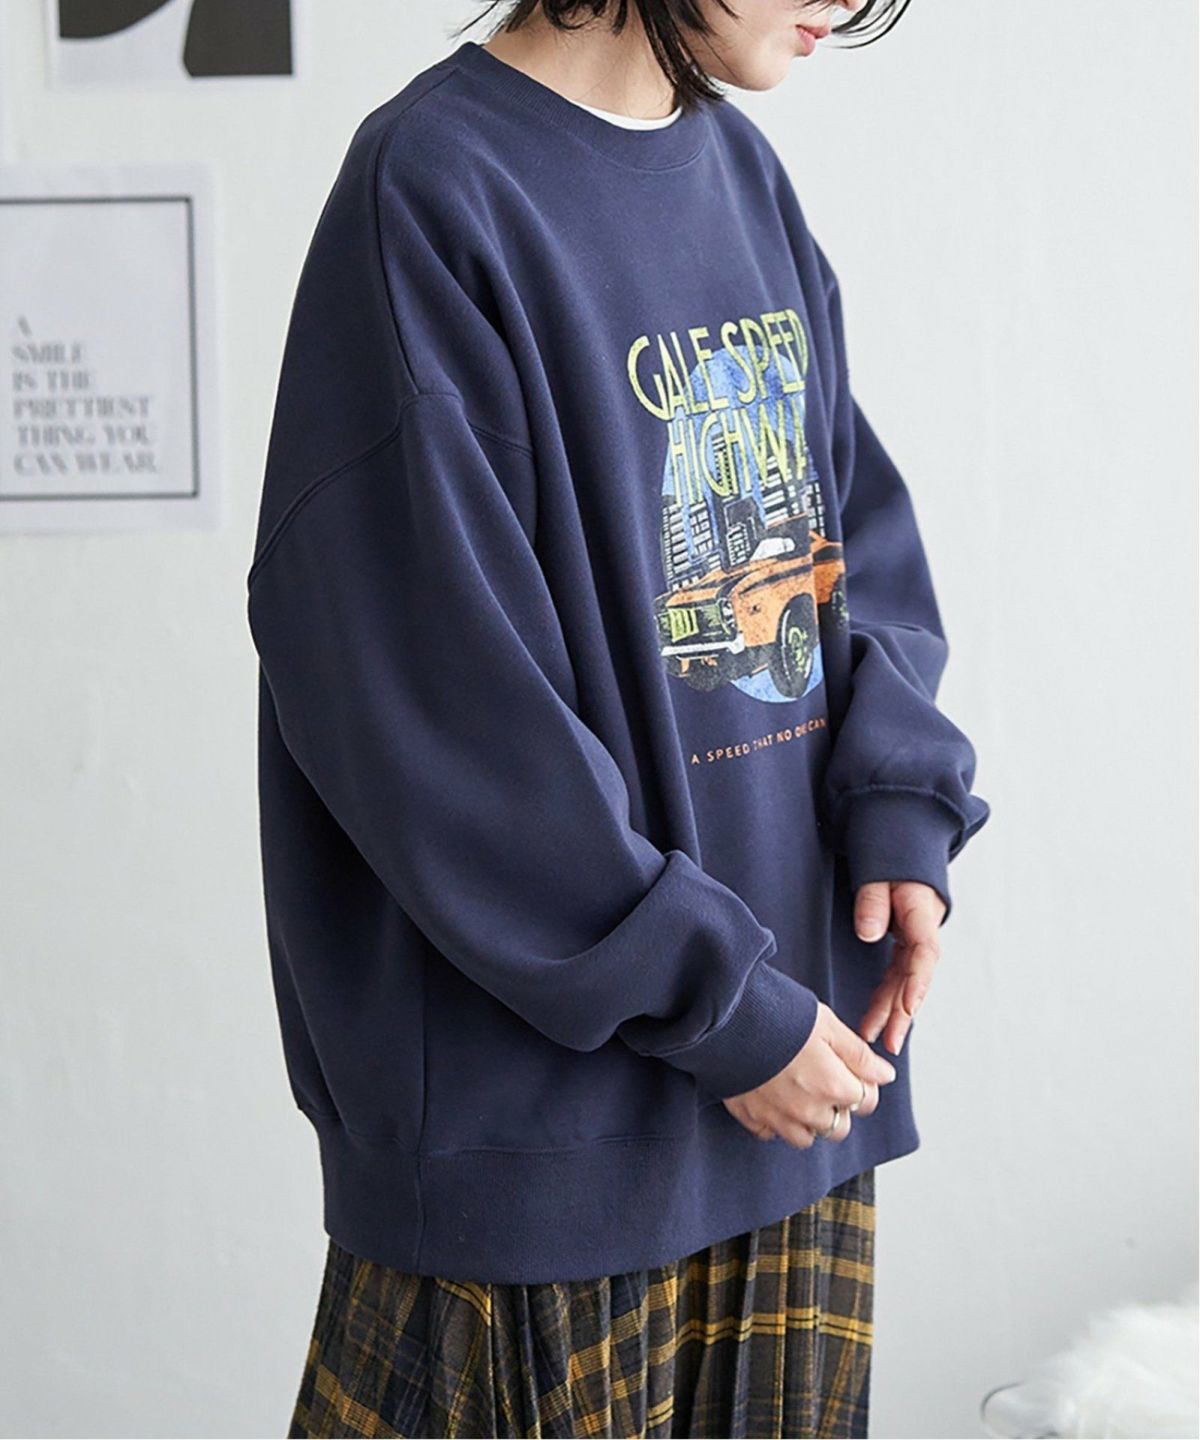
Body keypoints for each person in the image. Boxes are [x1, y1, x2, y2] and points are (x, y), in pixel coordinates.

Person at [245, 0, 991, 1434]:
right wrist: (714, 999)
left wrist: (898, 805)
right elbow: (423, 703)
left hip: (799, 1092)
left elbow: (845, 536)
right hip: (549, 1147)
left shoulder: (737, 170)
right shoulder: (434, 188)